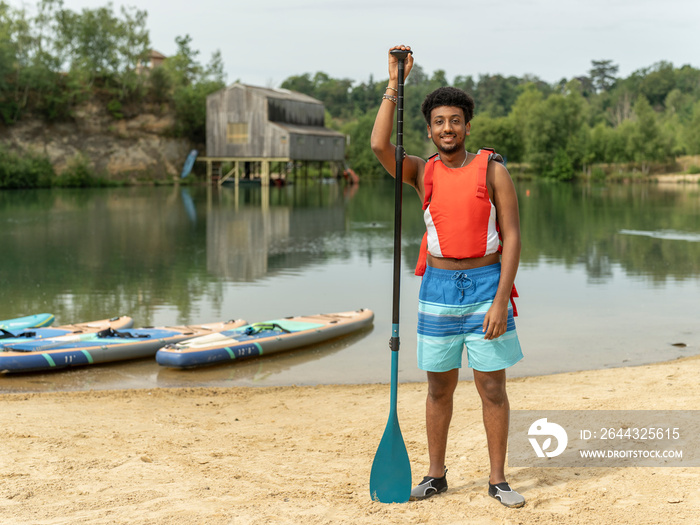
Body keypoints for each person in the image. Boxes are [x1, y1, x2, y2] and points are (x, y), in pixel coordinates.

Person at [371, 45, 525, 509]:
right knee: (439, 387)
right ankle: (436, 476)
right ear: (430, 129)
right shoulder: (421, 171)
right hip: (437, 289)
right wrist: (395, 84)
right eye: (438, 122)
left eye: (455, 120)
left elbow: (513, 237)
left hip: (485, 288)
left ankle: (497, 479)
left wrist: (500, 301)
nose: (447, 128)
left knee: (492, 387)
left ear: (467, 125)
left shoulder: (492, 169)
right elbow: (379, 145)